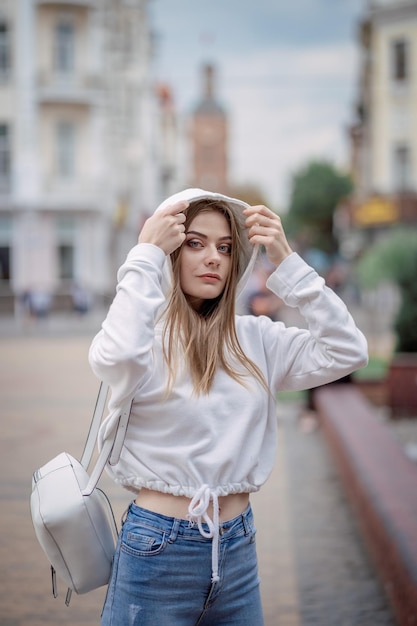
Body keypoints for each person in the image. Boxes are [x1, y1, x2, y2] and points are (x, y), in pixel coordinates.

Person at [89, 188, 368, 626]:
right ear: (171, 253)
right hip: (157, 547)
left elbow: (347, 350)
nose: (213, 258)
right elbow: (114, 358)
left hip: (237, 548)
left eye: (225, 247)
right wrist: (144, 253)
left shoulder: (257, 339)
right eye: (195, 244)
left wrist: (288, 262)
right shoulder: (142, 339)